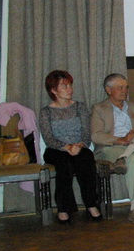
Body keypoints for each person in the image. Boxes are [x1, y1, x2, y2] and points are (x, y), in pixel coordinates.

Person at [90, 73, 134, 224]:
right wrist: (120, 140)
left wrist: (133, 135)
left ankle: (124, 157)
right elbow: (96, 135)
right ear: (108, 90)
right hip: (111, 148)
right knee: (132, 160)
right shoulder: (99, 108)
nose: (125, 91)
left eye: (126, 87)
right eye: (120, 88)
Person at [39, 70, 102, 224]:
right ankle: (63, 208)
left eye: (70, 86)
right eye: (64, 86)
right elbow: (48, 138)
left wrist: (79, 145)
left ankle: (91, 204)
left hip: (78, 146)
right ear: (54, 90)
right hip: (56, 149)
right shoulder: (46, 112)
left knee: (86, 159)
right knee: (64, 163)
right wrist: (67, 147)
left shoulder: (80, 107)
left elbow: (86, 133)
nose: (69, 89)